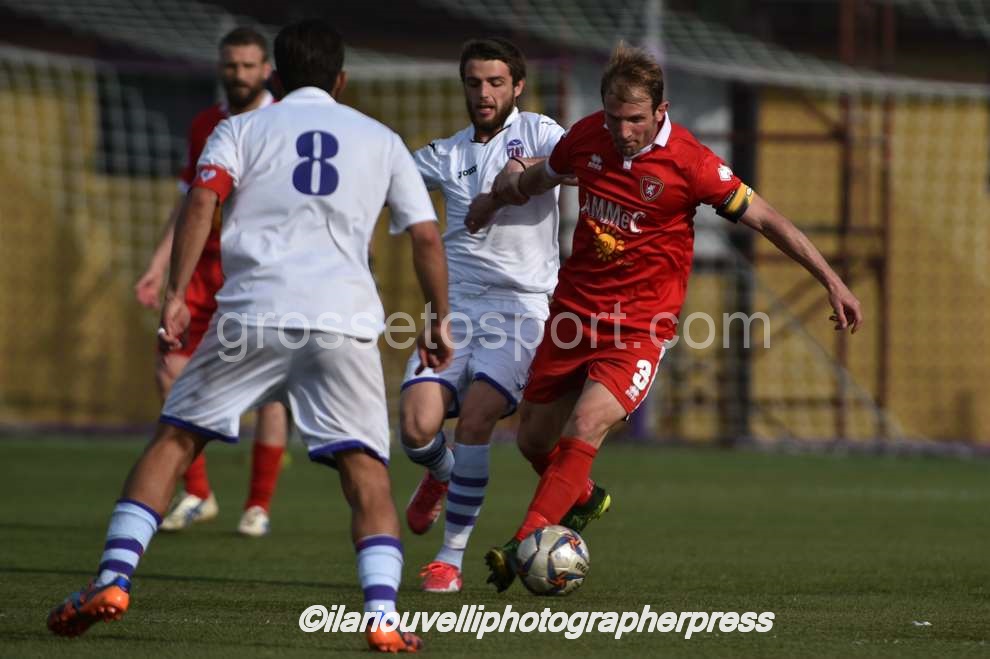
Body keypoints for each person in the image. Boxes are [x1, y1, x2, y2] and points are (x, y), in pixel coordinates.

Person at [48, 19, 452, 653]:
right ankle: (381, 614)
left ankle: (113, 580)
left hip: (251, 316)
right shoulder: (381, 138)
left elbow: (202, 200)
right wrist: (440, 316)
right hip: (343, 323)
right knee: (366, 471)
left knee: (174, 440)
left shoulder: (239, 128)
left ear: (276, 76)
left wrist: (177, 293)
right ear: (342, 80)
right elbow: (425, 236)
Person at [468, 43, 864, 592]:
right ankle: (585, 496)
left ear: (660, 110)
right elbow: (540, 178)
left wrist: (832, 280)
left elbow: (769, 220)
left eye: (634, 119)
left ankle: (524, 545)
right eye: (614, 117)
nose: (623, 130)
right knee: (533, 442)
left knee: (586, 424)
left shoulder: (691, 163)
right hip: (573, 316)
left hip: (638, 328)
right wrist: (497, 196)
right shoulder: (587, 137)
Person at [399, 37, 609, 594]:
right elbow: (386, 182)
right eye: (474, 83)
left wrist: (524, 171)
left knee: (476, 420)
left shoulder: (538, 131)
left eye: (495, 82)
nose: (484, 93)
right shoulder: (444, 153)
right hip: (455, 309)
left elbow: (583, 162)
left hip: (520, 309)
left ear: (517, 86)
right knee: (416, 429)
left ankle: (449, 559)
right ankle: (441, 475)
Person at [134, 26, 287, 538]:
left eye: (248, 65)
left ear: (266, 69)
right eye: (230, 65)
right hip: (203, 271)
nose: (238, 74)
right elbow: (190, 202)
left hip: (259, 272)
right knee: (169, 367)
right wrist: (159, 266)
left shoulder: (284, 122)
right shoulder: (206, 123)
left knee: (271, 390)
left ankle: (258, 504)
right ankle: (198, 492)